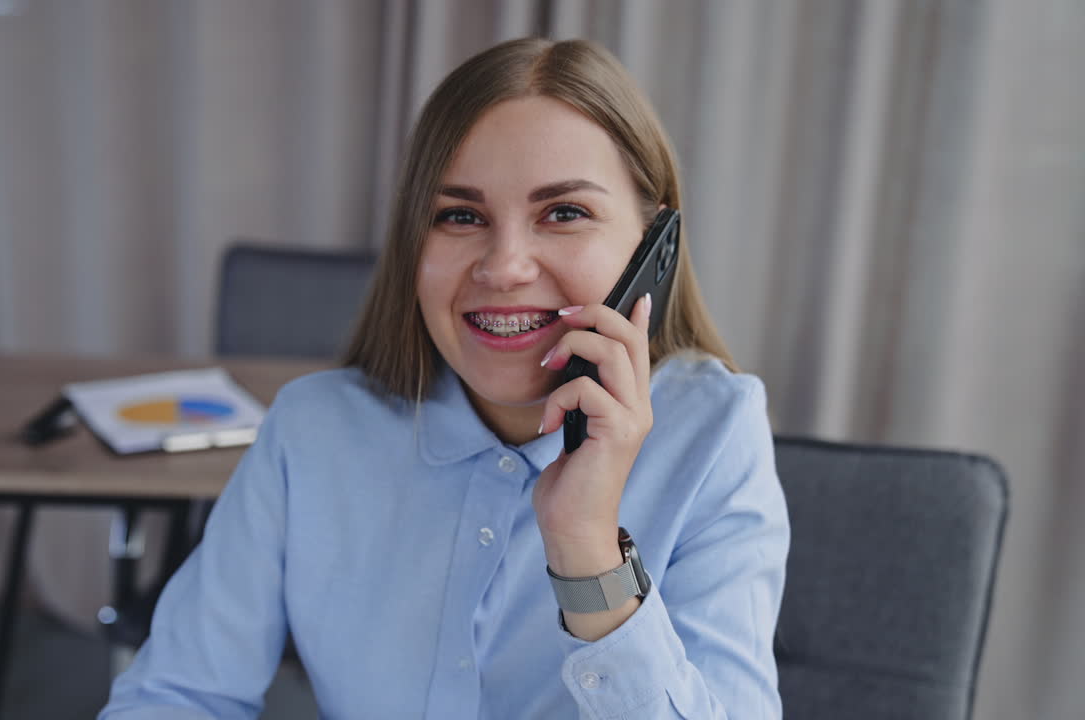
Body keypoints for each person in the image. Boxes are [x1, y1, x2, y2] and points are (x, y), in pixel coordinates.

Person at [100, 37, 788, 719]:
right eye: (460, 215)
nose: (504, 266)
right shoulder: (313, 432)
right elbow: (175, 694)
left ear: (652, 245)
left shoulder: (714, 433)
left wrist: (589, 551)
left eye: (564, 213)